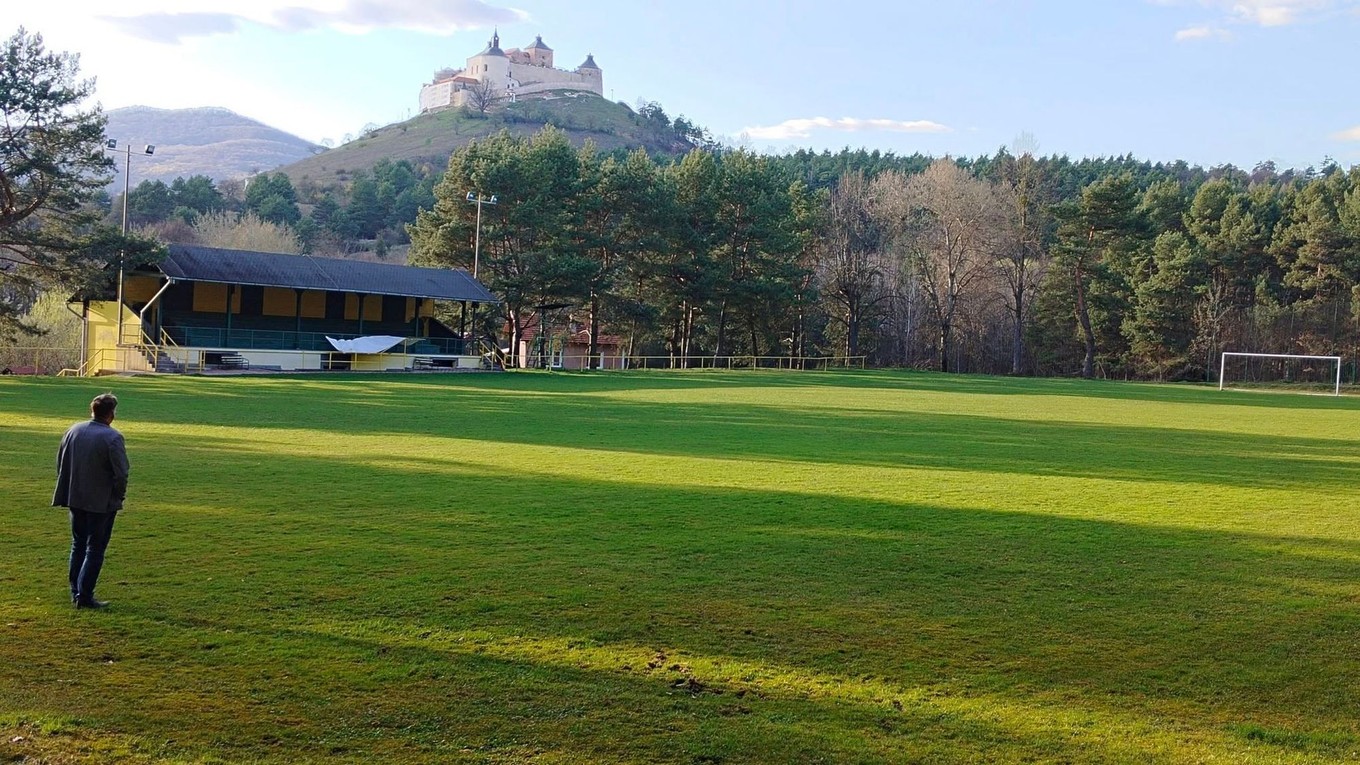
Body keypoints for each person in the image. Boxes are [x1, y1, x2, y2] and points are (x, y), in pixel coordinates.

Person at [53, 393, 130, 610]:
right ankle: (85, 596)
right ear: (111, 414)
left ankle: (75, 591)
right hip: (101, 502)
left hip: (75, 496)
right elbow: (121, 473)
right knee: (95, 548)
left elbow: (61, 462)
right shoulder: (113, 438)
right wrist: (118, 495)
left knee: (78, 544)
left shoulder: (73, 430)